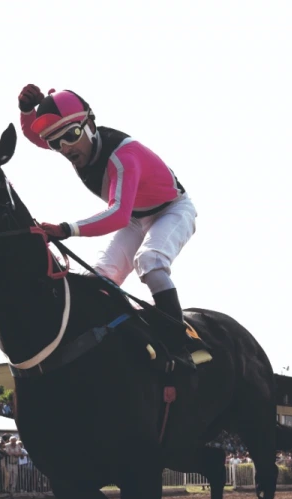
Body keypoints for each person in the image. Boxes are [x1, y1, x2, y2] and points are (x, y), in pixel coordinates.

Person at [17, 85, 195, 322]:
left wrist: (66, 229)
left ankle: (179, 338)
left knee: (150, 261)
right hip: (135, 218)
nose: (65, 148)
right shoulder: (80, 141)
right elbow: (34, 135)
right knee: (100, 277)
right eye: (55, 143)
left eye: (70, 136)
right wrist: (26, 111)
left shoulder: (123, 157)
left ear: (90, 125)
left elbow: (118, 214)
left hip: (172, 211)